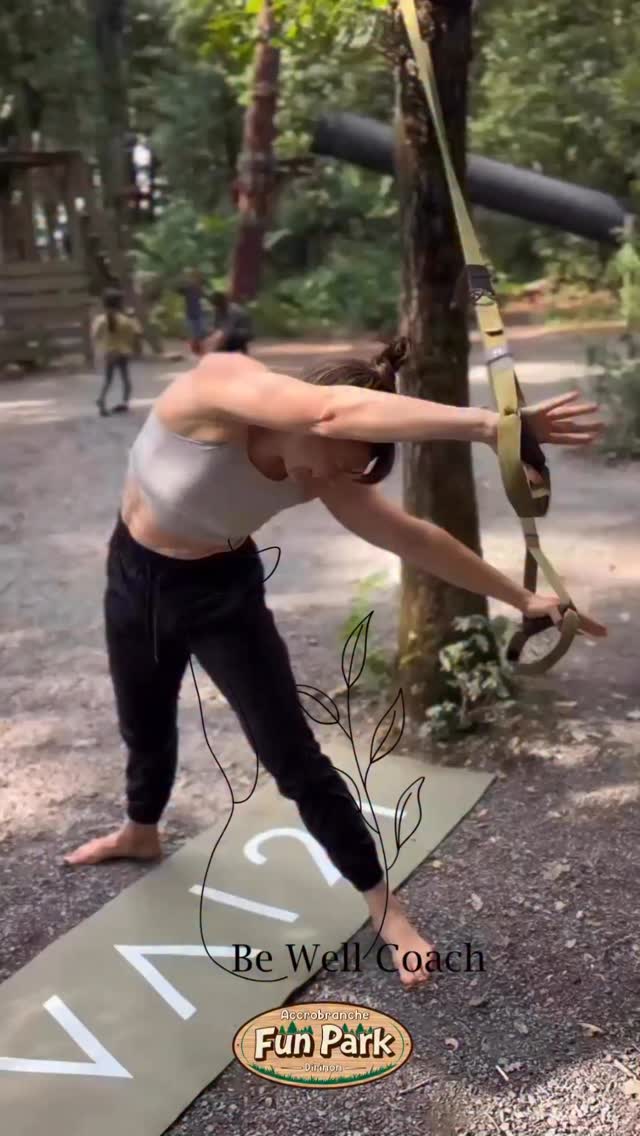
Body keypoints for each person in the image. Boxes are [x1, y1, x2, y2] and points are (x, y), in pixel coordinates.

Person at [64, 339, 606, 988]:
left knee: (293, 756)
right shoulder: (219, 388)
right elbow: (327, 414)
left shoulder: (318, 466)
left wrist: (522, 597)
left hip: (223, 594)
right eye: (332, 464)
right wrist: (493, 425)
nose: (323, 482)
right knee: (144, 723)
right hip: (135, 577)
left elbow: (410, 536)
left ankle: (387, 910)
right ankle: (140, 829)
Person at [92, 289, 141, 417]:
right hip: (123, 352)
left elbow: (95, 336)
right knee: (125, 378)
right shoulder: (126, 320)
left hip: (109, 353)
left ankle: (102, 399)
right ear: (120, 304)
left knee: (108, 380)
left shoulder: (100, 320)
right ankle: (124, 402)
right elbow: (136, 334)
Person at [178, 269, 210, 357]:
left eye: (195, 278)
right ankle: (196, 351)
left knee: (200, 333)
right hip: (190, 313)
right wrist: (183, 279)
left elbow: (206, 297)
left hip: (198, 313)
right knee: (193, 333)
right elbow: (179, 289)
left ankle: (200, 350)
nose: (193, 280)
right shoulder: (187, 288)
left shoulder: (200, 288)